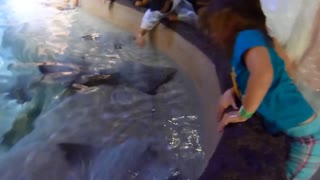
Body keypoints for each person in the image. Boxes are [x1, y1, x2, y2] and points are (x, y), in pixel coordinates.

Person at [199, 0, 320, 179]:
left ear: (232, 20)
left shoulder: (246, 36)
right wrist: (233, 91)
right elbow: (268, 72)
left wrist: (243, 112)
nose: (214, 35)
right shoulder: (257, 37)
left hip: (306, 137)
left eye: (216, 26)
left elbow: (263, 75)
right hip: (297, 126)